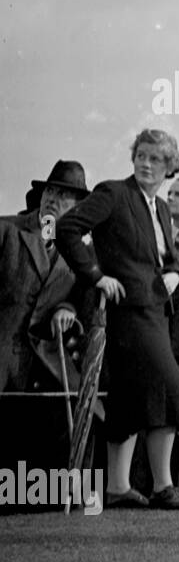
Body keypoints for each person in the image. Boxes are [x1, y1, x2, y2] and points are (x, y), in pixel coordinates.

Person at [55, 129, 179, 510]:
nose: (146, 163)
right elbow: (68, 228)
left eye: (155, 159)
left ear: (170, 166)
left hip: (154, 312)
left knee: (129, 397)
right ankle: (163, 485)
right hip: (126, 312)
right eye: (141, 156)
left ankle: (118, 488)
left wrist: (175, 274)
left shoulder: (161, 208)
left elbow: (168, 257)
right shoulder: (113, 193)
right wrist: (96, 276)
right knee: (170, 388)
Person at [1, 160, 88, 394]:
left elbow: (81, 296)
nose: (52, 198)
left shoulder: (80, 253)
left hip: (44, 369)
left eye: (63, 194)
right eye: (49, 191)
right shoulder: (7, 230)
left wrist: (68, 308)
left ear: (78, 207)